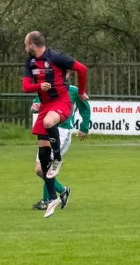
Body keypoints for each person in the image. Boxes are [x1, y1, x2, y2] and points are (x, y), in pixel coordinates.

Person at [22, 31, 88, 218]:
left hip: (61, 102)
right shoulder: (30, 62)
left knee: (48, 122)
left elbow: (82, 69)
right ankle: (53, 197)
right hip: (45, 106)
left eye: (26, 45)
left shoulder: (56, 57)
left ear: (32, 45)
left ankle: (57, 159)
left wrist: (81, 92)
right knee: (43, 159)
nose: (25, 48)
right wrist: (38, 88)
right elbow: (26, 86)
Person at [31, 79, 91, 211]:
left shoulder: (74, 91)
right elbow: (37, 102)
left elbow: (85, 108)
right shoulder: (46, 88)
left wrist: (84, 127)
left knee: (45, 167)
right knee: (39, 169)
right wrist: (35, 106)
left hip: (62, 132)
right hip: (46, 130)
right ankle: (62, 190)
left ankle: (46, 200)